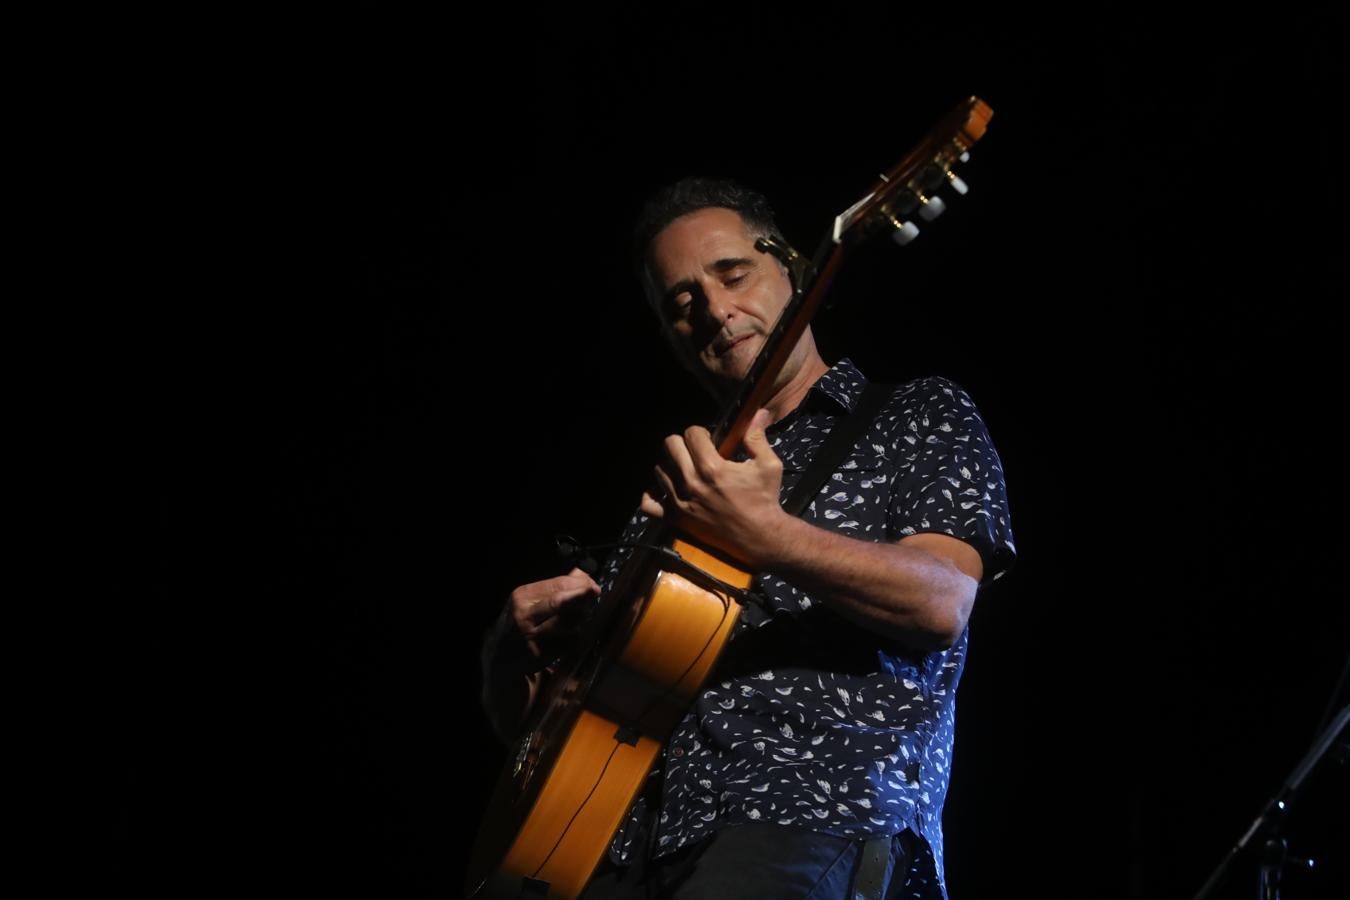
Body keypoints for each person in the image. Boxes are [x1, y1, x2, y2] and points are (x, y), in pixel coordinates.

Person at [479, 177, 1016, 899]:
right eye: (682, 303)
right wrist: (505, 657)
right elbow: (562, 725)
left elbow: (943, 601)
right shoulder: (678, 490)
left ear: (793, 269)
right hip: (620, 847)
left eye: (733, 273)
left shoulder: (918, 413)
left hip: (808, 814)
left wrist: (768, 535)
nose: (715, 310)